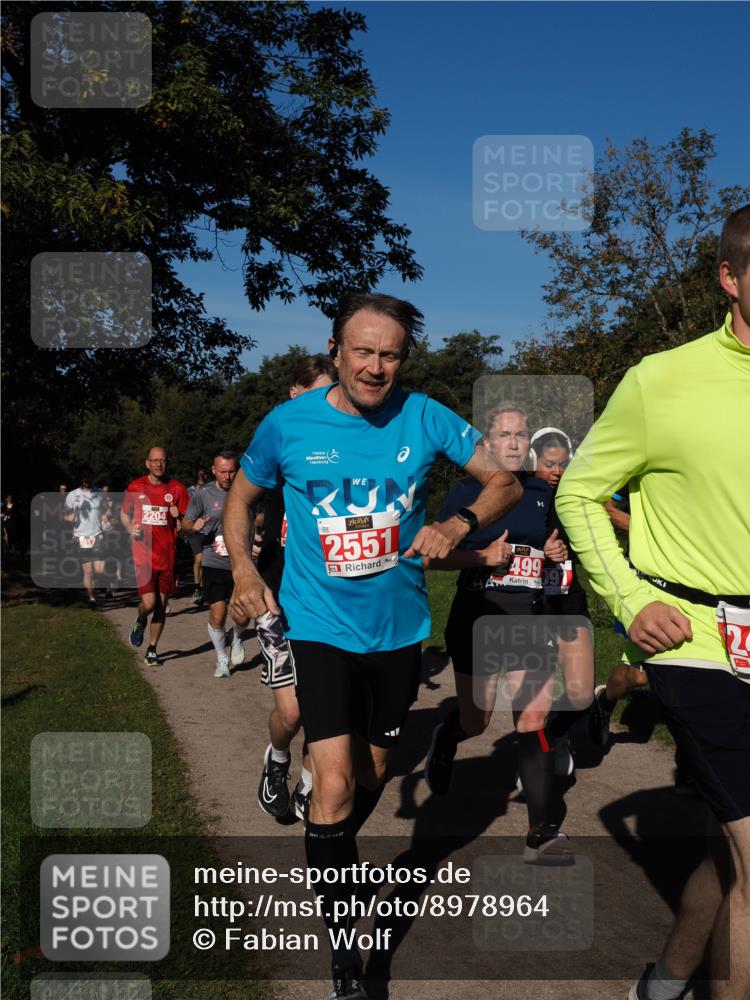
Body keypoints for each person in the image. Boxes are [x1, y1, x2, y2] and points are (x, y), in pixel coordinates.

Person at [224, 292, 522, 1000]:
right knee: (329, 782)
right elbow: (241, 497)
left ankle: (331, 848)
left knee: (373, 772)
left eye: (390, 354)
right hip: (317, 624)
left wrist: (459, 525)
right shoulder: (288, 423)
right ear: (336, 350)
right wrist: (241, 567)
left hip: (398, 632)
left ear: (403, 360)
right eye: (363, 350)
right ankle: (345, 959)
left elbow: (504, 482)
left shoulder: (425, 418)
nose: (375, 366)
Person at [556, 204, 750, 1000]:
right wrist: (629, 600)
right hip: (696, 639)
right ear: (731, 279)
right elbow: (579, 493)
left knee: (726, 851)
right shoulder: (661, 379)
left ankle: (665, 981)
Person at [423, 405, 579, 864]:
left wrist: (552, 549)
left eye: (521, 434)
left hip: (528, 619)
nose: (513, 442)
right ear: (487, 444)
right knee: (478, 721)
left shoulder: (538, 492)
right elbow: (431, 557)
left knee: (532, 721)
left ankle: (542, 832)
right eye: (504, 435)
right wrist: (481, 558)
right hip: (477, 616)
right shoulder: (468, 492)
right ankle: (449, 736)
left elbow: (552, 542)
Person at [248, 354, 336, 821]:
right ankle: (276, 760)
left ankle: (306, 785)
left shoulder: (344, 449)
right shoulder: (279, 445)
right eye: (318, 392)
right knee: (294, 712)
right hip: (276, 597)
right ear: (295, 394)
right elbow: (240, 502)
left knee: (323, 713)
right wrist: (244, 568)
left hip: (325, 603)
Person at [529, 428, 595, 778]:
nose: (557, 471)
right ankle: (534, 756)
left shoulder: (574, 500)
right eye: (549, 464)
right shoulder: (518, 497)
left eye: (563, 464)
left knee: (581, 692)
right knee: (534, 695)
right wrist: (541, 553)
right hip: (530, 603)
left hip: (568, 599)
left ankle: (555, 733)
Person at [120, 446, 190, 667]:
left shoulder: (177, 488)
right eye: (155, 460)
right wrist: (129, 527)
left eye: (163, 461)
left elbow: (188, 522)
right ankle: (141, 619)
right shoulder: (135, 486)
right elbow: (124, 513)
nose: (159, 464)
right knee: (149, 604)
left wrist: (180, 518)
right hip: (143, 555)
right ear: (147, 463)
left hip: (167, 556)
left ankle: (152, 648)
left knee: (161, 605)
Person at [182, 452, 246, 678]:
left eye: (231, 471)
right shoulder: (204, 494)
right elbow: (186, 523)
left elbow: (260, 516)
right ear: (213, 470)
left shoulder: (247, 489)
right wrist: (194, 525)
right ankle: (221, 658)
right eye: (223, 472)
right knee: (218, 613)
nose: (228, 476)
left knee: (242, 613)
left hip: (243, 561)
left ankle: (237, 639)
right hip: (214, 561)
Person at [63, 470, 107, 609]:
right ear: (81, 480)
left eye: (89, 480)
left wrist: (105, 517)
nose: (87, 482)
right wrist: (69, 518)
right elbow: (64, 515)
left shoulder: (99, 493)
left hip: (97, 534)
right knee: (88, 571)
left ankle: (101, 582)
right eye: (84, 480)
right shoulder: (72, 495)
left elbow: (105, 510)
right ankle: (92, 598)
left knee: (99, 570)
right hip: (81, 537)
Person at [187, 467, 210, 604]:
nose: (202, 475)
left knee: (207, 561)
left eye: (204, 472)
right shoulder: (189, 491)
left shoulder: (211, 491)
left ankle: (204, 588)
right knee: (199, 558)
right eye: (200, 472)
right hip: (194, 530)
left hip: (208, 529)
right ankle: (197, 587)